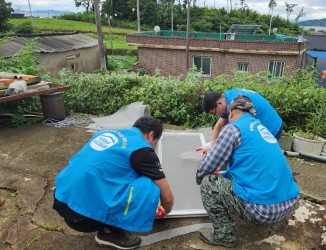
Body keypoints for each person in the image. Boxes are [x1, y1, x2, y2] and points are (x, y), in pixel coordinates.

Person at [53, 116, 174, 250]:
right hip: (83, 218)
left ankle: (104, 220)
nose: (153, 146)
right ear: (151, 135)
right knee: (148, 185)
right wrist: (165, 210)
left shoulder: (105, 133)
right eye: (155, 142)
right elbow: (167, 199)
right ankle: (110, 231)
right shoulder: (143, 151)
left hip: (61, 198)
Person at [195, 96, 299, 248]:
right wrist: (224, 175)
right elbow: (251, 164)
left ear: (230, 114)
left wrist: (198, 178)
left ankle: (224, 236)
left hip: (264, 211)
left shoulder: (232, 129)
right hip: (289, 201)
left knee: (207, 183)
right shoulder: (262, 128)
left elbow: (207, 167)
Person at [197, 88, 283, 154]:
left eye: (215, 112)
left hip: (271, 127)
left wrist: (216, 146)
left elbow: (234, 134)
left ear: (219, 104)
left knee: (252, 155)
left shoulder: (235, 105)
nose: (217, 114)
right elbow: (219, 124)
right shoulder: (227, 98)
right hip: (266, 123)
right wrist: (211, 143)